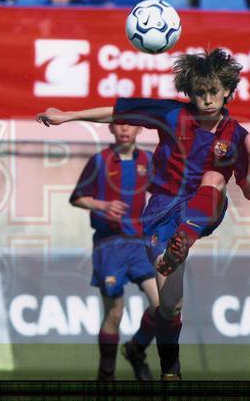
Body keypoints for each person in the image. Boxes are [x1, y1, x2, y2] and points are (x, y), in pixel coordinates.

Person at [37, 48, 250, 380]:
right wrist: (68, 116)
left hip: (203, 210)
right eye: (200, 93)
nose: (206, 99)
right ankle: (157, 360)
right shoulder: (173, 115)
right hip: (162, 211)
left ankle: (183, 243)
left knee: (215, 178)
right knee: (169, 307)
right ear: (190, 93)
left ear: (228, 92)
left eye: (213, 92)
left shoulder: (238, 137)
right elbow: (118, 113)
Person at [70, 122, 159, 381]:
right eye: (119, 124)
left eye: (130, 125)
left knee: (162, 306)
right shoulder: (100, 161)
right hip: (109, 245)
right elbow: (77, 197)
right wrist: (102, 205)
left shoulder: (147, 160)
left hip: (140, 244)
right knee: (115, 313)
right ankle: (106, 375)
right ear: (110, 128)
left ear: (140, 130)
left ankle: (136, 349)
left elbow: (164, 191)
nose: (124, 129)